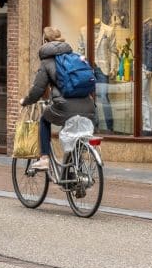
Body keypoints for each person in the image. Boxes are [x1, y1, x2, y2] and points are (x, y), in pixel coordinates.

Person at [20, 27, 96, 171]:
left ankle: (44, 158)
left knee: (44, 119)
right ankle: (75, 168)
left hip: (64, 106)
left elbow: (37, 90)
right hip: (88, 105)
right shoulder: (74, 57)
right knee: (74, 132)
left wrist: (26, 101)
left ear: (45, 41)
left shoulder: (47, 62)